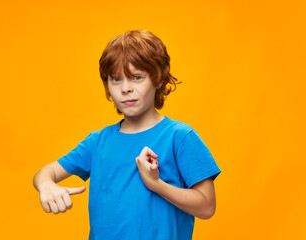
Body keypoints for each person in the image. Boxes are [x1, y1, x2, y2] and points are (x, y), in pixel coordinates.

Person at [33, 30, 221, 240]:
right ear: (107, 86)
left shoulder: (179, 137)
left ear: (158, 79)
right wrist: (45, 184)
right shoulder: (98, 142)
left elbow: (207, 207)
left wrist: (156, 184)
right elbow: (45, 172)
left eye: (137, 78)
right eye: (115, 79)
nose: (125, 89)